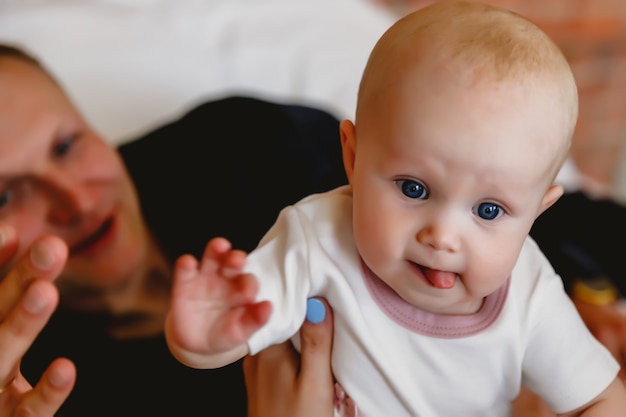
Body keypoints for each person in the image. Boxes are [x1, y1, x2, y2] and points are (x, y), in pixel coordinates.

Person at [165, 1, 626, 416]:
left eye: (488, 211)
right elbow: (241, 332)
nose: (442, 237)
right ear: (353, 156)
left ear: (534, 215)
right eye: (414, 189)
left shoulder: (530, 295)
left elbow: (603, 398)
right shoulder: (316, 240)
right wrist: (203, 338)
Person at [0, 43, 349, 417]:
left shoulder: (249, 146)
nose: (77, 202)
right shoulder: (28, 393)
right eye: (4, 197)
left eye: (67, 145)